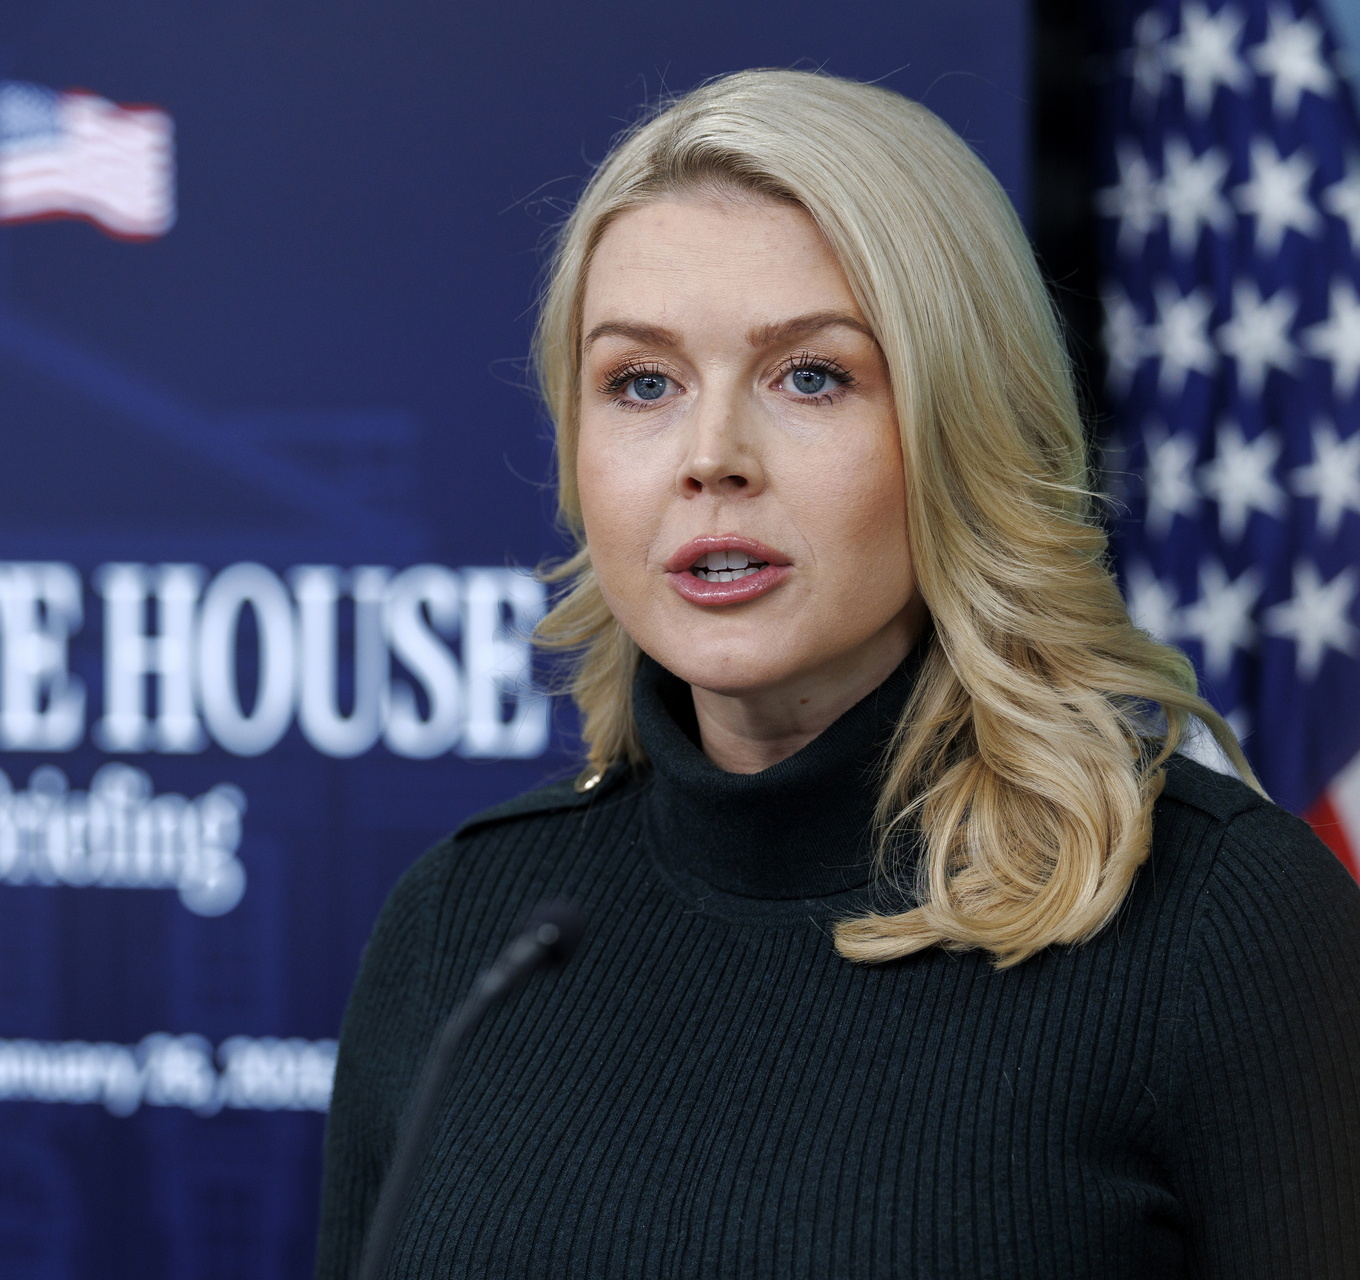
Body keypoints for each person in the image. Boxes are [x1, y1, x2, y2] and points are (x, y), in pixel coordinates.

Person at [314, 70, 1360, 1278]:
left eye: (810, 374)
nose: (711, 457)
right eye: (642, 382)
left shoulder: (1225, 920)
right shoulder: (462, 928)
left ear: (964, 426)